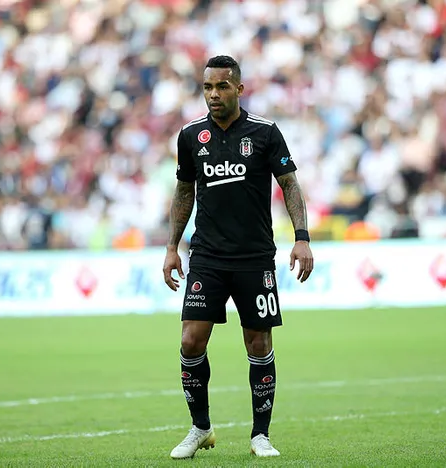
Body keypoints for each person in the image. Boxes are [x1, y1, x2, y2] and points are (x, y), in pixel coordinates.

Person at [162, 55, 314, 459]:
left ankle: (260, 435)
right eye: (207, 87)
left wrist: (301, 238)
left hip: (254, 257)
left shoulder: (265, 132)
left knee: (258, 342)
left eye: (222, 86)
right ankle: (200, 428)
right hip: (207, 256)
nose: (213, 94)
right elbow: (184, 192)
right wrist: (172, 247)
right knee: (190, 341)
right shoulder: (190, 136)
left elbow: (290, 185)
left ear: (239, 89)